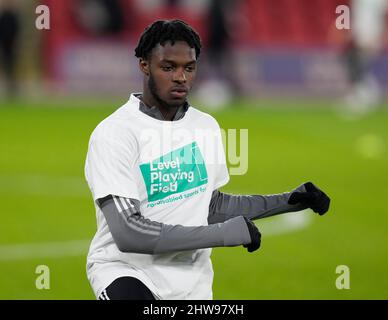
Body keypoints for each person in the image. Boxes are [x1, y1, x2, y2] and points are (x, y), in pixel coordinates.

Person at [84, 19, 331, 300]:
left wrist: (287, 201)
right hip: (126, 271)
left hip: (192, 280)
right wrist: (222, 235)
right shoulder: (116, 133)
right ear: (144, 65)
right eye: (168, 67)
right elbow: (129, 233)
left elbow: (210, 205)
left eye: (189, 68)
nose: (181, 77)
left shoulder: (205, 126)